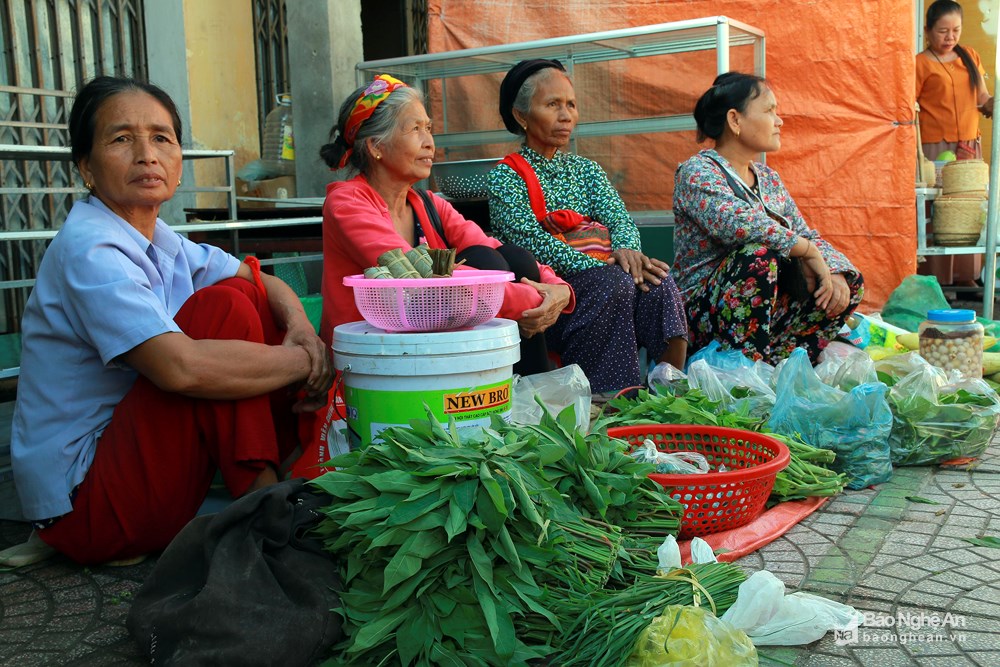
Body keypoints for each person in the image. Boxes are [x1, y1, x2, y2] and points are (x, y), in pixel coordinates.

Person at [2, 76, 332, 567]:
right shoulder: (90, 246)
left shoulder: (160, 239)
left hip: (136, 480)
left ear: (178, 161)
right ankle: (263, 504)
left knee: (242, 294)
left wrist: (302, 330)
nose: (146, 154)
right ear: (87, 169)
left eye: (161, 138)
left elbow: (265, 283)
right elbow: (179, 370)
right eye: (121, 139)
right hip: (87, 509)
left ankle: (265, 489)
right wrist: (304, 361)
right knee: (219, 312)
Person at [319, 74, 574, 377]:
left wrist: (558, 289)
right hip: (379, 358)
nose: (429, 142)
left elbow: (493, 247)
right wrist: (534, 300)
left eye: (428, 128)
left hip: (433, 342)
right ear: (376, 146)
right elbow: (419, 280)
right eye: (415, 129)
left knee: (507, 257)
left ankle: (525, 395)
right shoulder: (348, 203)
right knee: (485, 267)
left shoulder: (427, 203)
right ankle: (523, 393)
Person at [487, 59, 688, 394]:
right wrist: (605, 267)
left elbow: (619, 218)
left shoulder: (586, 169)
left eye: (571, 105)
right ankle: (609, 399)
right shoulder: (506, 176)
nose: (566, 115)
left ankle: (667, 390)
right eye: (552, 104)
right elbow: (532, 245)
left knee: (657, 280)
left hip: (607, 277)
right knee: (612, 284)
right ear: (522, 116)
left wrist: (627, 251)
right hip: (554, 296)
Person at [672, 72, 864, 365]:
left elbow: (804, 232)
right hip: (702, 316)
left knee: (848, 282)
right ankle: (741, 370)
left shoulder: (768, 178)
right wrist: (806, 251)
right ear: (735, 120)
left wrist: (833, 269)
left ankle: (782, 363)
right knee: (757, 257)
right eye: (769, 110)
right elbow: (740, 225)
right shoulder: (697, 172)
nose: (779, 121)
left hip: (764, 317)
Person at [916, 0, 994, 161]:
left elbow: (982, 96)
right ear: (927, 31)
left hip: (969, 142)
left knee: (968, 186)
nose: (950, 37)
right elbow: (909, 106)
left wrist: (993, 104)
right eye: (943, 31)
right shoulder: (919, 63)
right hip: (935, 145)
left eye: (956, 30)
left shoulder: (970, 56)